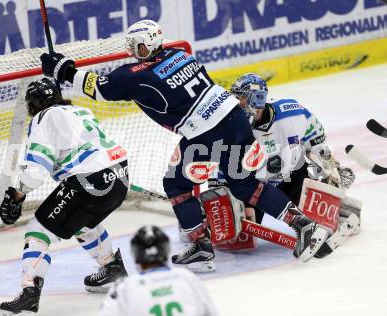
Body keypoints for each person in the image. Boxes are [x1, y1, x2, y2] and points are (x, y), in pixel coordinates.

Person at [40, 19, 329, 272]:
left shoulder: (137, 75)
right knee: (244, 185)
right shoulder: (181, 55)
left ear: (151, 43)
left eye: (138, 47)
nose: (133, 52)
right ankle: (304, 225)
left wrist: (63, 71)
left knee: (176, 185)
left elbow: (101, 89)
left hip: (206, 133)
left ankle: (200, 243)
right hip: (235, 120)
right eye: (132, 47)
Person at [0, 78, 129, 315]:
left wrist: (16, 197)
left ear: (32, 106)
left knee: (38, 229)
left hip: (89, 180)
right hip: (120, 174)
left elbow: (36, 168)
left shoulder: (43, 118)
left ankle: (29, 292)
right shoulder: (79, 110)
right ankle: (112, 268)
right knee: (81, 220)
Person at [209, 73, 358, 257]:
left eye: (241, 97)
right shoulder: (231, 124)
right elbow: (223, 161)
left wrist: (332, 168)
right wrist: (220, 194)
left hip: (292, 177)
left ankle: (337, 206)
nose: (237, 102)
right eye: (236, 97)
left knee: (320, 221)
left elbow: (317, 142)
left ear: (256, 98)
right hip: (254, 187)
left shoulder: (292, 112)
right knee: (236, 240)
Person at [99, 225, 219, 316]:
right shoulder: (186, 278)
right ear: (166, 250)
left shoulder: (124, 287)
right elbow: (210, 312)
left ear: (135, 254)